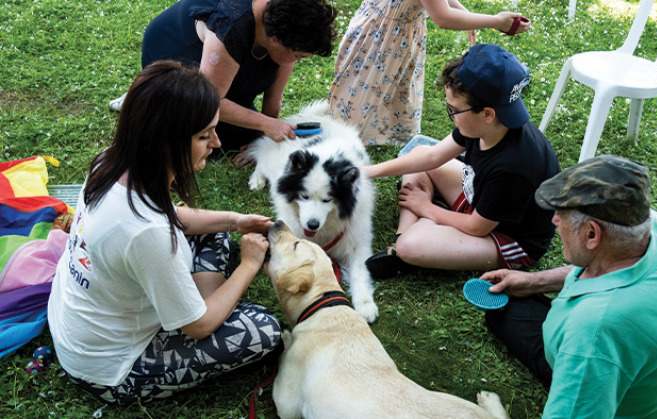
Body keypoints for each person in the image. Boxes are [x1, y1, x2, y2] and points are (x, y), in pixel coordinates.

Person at [48, 61, 282, 404]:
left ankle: (196, 301)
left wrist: (236, 219)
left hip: (78, 324)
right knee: (263, 329)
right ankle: (200, 303)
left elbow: (170, 215)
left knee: (217, 228)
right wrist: (248, 264)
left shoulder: (110, 162)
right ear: (165, 142)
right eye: (204, 135)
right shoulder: (146, 233)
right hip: (109, 370)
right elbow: (198, 329)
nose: (216, 143)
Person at [483, 155, 657, 418]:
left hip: (621, 401)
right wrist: (532, 282)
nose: (554, 222)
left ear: (592, 234)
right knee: (511, 299)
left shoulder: (593, 331)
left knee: (502, 312)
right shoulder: (650, 227)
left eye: (561, 215)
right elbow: (599, 268)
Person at [364, 44, 559, 279]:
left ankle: (409, 244)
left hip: (506, 237)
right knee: (420, 154)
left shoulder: (513, 166)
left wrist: (426, 208)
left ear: (487, 114)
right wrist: (369, 171)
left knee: (411, 245)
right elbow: (432, 157)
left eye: (454, 110)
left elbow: (477, 227)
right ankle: (401, 243)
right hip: (479, 202)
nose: (452, 116)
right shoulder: (488, 126)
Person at [109, 0, 337, 165]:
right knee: (193, 137)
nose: (298, 61)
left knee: (243, 136)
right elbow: (210, 100)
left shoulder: (287, 28)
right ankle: (151, 96)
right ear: (276, 40)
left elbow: (273, 97)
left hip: (221, 68)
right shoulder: (231, 25)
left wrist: (264, 138)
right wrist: (266, 125)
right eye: (297, 56)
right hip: (177, 50)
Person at [328, 0, 531, 146]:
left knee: (399, 85)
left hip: (398, 29)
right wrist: (497, 21)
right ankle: (345, 140)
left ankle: (392, 132)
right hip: (383, 34)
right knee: (365, 86)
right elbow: (442, 17)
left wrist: (468, 14)